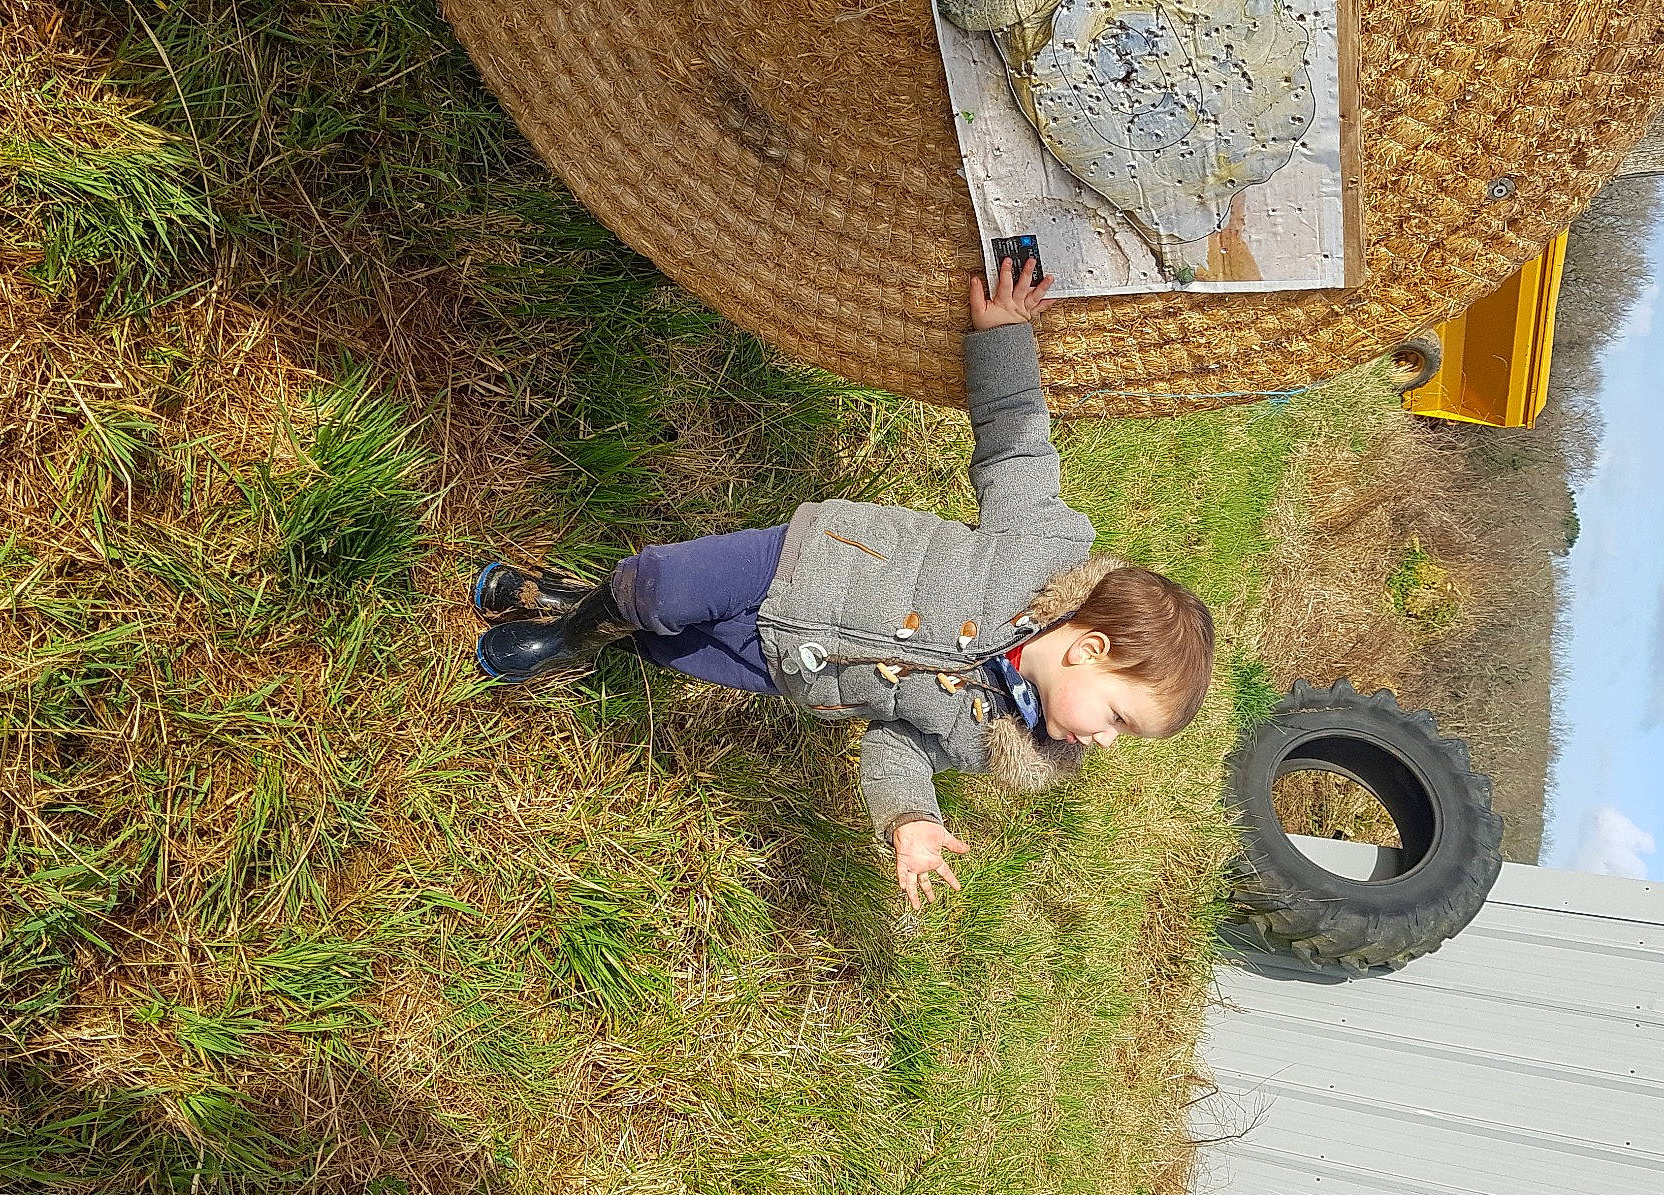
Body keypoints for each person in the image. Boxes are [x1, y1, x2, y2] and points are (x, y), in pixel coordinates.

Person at [470, 260, 1215, 911]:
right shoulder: (1041, 551)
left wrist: (908, 818)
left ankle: (574, 604)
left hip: (792, 668)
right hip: (803, 561)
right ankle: (568, 638)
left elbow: (898, 747)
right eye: (1118, 716)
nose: (1105, 743)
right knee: (659, 589)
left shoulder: (994, 740)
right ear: (1090, 647)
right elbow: (1016, 442)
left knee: (665, 643)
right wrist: (1002, 335)